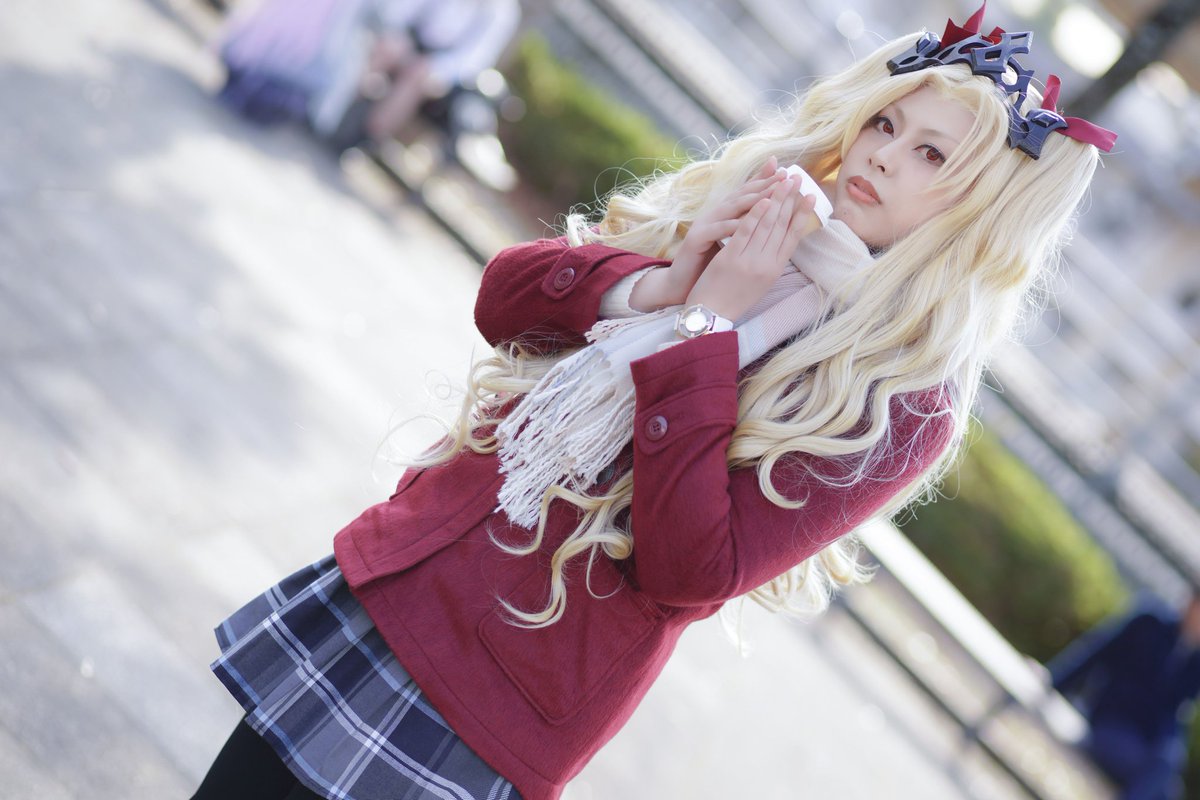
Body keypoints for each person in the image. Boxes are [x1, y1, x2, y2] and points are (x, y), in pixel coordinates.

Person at [192, 4, 1117, 799]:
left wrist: (705, 329)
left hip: (504, 682)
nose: (882, 156)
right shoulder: (760, 208)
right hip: (409, 570)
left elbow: (689, 569)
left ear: (975, 210)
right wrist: (667, 283)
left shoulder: (905, 397)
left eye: (930, 154)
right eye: (885, 123)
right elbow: (504, 302)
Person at [1050, 592, 1200, 800]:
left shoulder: (1196, 664)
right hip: (1112, 725)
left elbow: (1174, 715)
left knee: (1167, 777)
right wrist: (1053, 680)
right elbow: (1098, 653)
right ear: (1191, 603)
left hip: (1146, 745)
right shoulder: (1150, 625)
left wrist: (1168, 750)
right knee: (1162, 788)